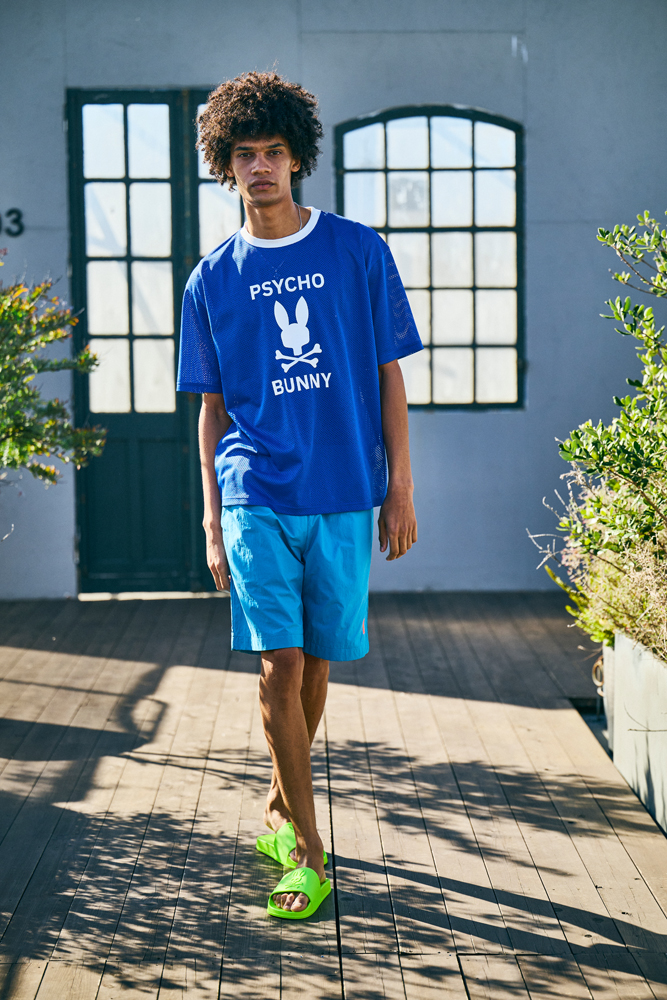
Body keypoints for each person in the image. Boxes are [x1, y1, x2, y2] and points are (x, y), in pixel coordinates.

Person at [177, 71, 422, 919]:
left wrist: (399, 488)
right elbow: (211, 410)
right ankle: (310, 854)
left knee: (316, 663)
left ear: (296, 158)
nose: (260, 167)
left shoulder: (357, 251)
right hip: (255, 489)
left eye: (273, 151)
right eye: (244, 154)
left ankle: (281, 810)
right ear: (225, 165)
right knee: (278, 662)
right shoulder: (211, 279)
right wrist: (213, 517)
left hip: (345, 488)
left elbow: (389, 377)